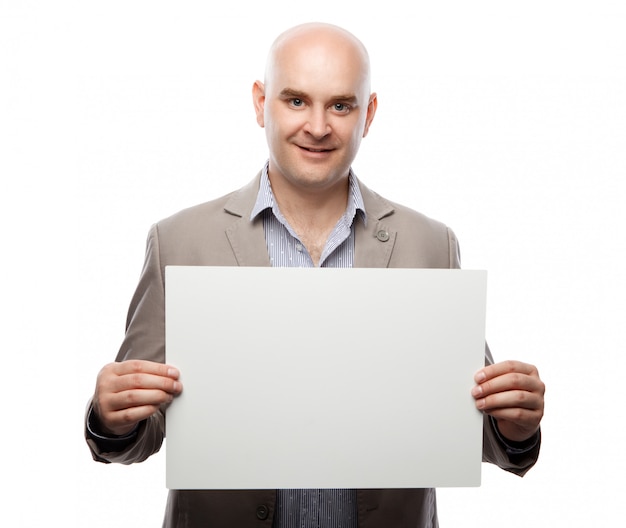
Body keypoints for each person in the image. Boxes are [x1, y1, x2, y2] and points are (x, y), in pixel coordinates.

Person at [85, 22, 545, 528]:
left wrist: (514, 425)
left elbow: (471, 431)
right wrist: (112, 418)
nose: (319, 126)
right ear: (261, 103)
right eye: (297, 101)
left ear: (367, 114)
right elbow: (139, 434)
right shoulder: (178, 240)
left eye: (341, 105)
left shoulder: (431, 244)